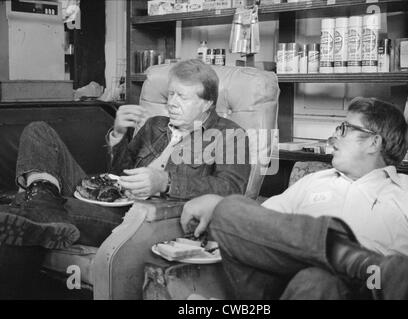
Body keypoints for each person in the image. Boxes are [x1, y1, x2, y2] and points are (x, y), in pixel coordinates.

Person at [180, 97, 408, 300]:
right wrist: (217, 205)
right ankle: (354, 260)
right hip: (283, 283)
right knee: (229, 209)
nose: (332, 137)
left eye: (344, 129)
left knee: (317, 280)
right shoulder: (314, 180)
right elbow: (260, 227)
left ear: (373, 142)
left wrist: (386, 275)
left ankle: (362, 266)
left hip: (368, 289)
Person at [0, 59, 250, 251]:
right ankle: (42, 202)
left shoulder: (230, 135)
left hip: (145, 219)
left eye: (182, 97)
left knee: (26, 205)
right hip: (112, 200)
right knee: (38, 131)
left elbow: (232, 189)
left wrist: (166, 182)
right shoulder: (155, 125)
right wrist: (118, 134)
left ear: (207, 103)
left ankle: (38, 205)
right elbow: (119, 174)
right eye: (171, 94)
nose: (172, 103)